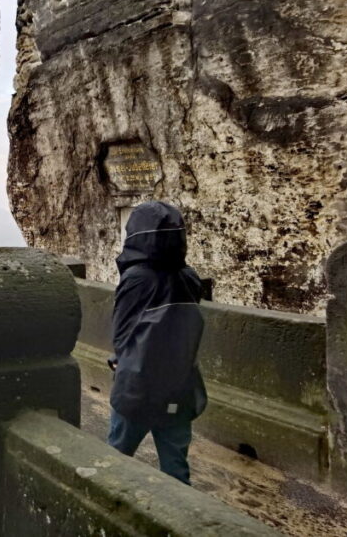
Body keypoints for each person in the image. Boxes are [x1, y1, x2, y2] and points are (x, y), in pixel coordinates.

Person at [107, 201, 206, 484]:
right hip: (180, 383)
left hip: (138, 384)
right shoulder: (189, 277)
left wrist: (119, 360)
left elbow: (122, 334)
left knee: (116, 459)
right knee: (176, 467)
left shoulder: (136, 278)